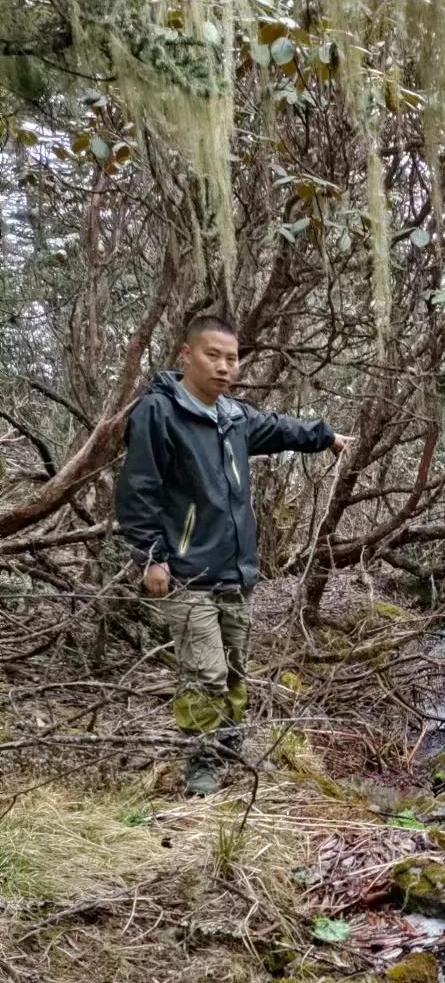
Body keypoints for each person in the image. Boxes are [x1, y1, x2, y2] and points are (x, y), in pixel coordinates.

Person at [115, 314, 350, 795]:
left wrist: (326, 438)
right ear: (186, 355)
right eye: (213, 355)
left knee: (235, 669)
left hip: (236, 572)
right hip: (185, 572)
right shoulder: (158, 413)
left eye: (232, 358)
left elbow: (280, 428)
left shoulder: (233, 417)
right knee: (205, 673)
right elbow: (138, 491)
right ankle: (202, 772)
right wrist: (151, 557)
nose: (224, 367)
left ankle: (227, 748)